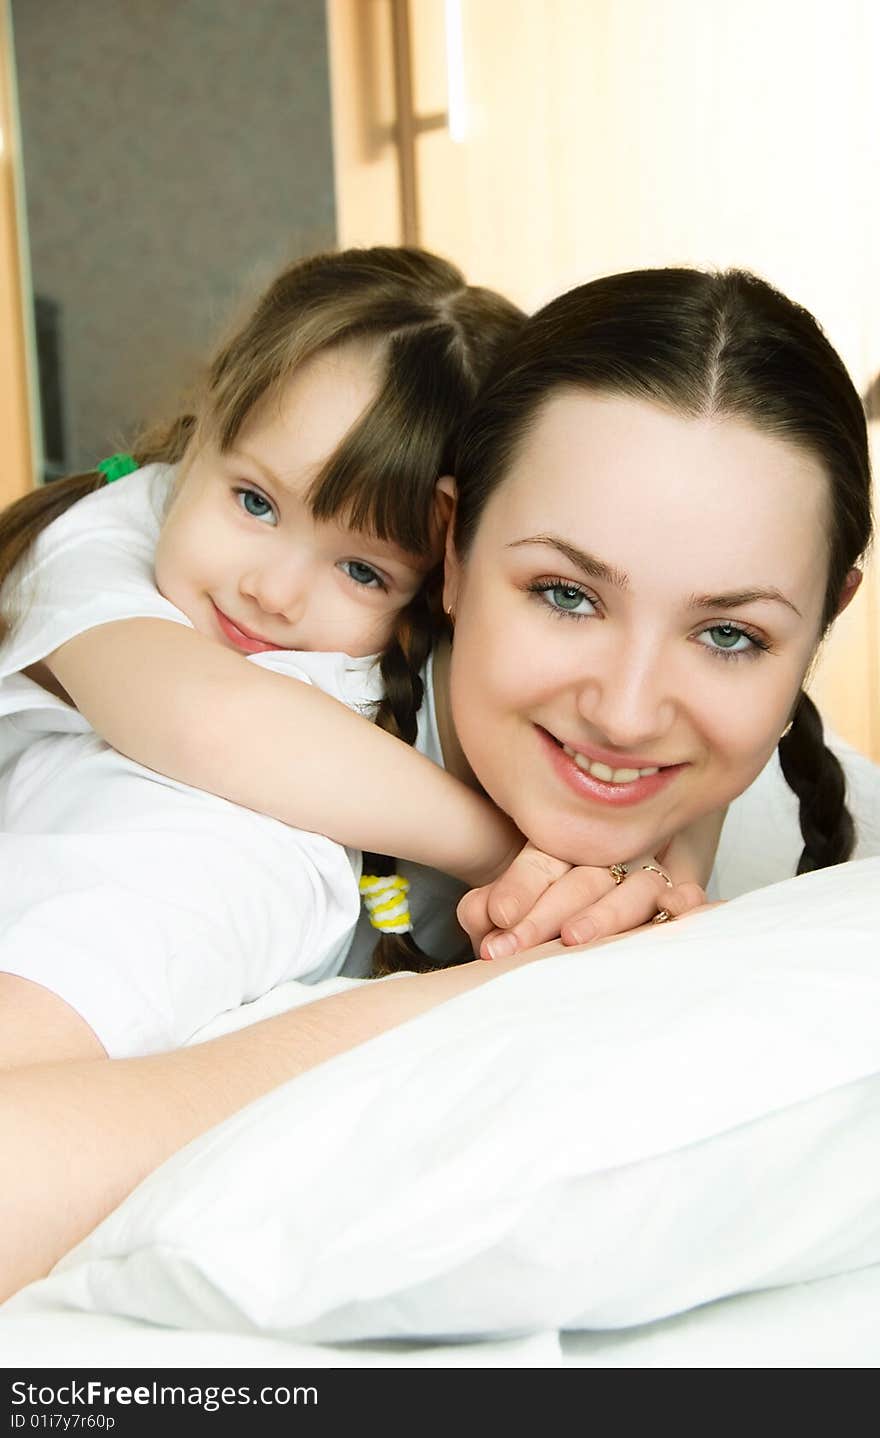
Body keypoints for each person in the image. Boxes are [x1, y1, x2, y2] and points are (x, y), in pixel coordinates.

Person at [1, 263, 870, 1302]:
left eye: (727, 633)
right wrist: (499, 992)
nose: (629, 713)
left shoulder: (768, 787)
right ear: (449, 548)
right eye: (565, 593)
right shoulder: (245, 826)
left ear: (823, 623)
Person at [0, 246, 708, 1067]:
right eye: (256, 502)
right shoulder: (103, 539)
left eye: (363, 569)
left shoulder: (462, 672)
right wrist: (512, 850)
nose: (274, 591)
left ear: (448, 577)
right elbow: (207, 718)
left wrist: (642, 874)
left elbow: (696, 793)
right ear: (203, 427)